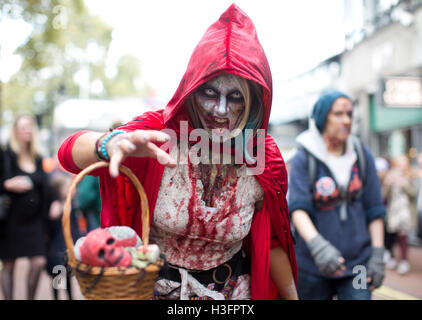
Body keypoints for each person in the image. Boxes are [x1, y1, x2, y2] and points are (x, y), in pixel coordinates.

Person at [57, 4, 297, 300]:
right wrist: (107, 144)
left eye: (235, 97)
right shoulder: (159, 131)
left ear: (253, 104)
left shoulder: (263, 156)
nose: (220, 110)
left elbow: (272, 242)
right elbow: (67, 154)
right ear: (192, 90)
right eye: (210, 92)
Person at [288, 91, 386, 300]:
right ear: (323, 118)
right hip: (312, 266)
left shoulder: (361, 153)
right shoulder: (304, 157)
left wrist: (377, 254)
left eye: (349, 114)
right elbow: (298, 209)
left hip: (358, 265)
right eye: (338, 114)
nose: (347, 121)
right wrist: (318, 246)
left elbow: (374, 208)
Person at [0, 114, 51, 300]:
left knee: (38, 262)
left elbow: (45, 183)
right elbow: (2, 181)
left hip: (34, 220)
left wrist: (54, 202)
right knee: (9, 265)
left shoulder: (37, 156)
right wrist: (7, 184)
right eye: (23, 126)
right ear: (15, 131)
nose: (27, 129)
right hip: (11, 219)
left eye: (30, 126)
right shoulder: (6, 155)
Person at [383, 154, 418, 275]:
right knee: (391, 235)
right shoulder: (391, 175)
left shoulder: (410, 176)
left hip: (405, 212)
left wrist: (403, 184)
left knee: (403, 236)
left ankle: (404, 261)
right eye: (399, 163)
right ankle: (391, 257)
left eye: (403, 163)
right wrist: (388, 183)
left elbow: (414, 193)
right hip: (393, 212)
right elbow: (385, 195)